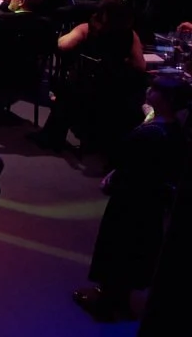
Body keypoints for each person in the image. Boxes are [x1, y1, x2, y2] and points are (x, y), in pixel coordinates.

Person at [76, 75, 190, 320]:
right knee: (137, 249)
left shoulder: (151, 134)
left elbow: (132, 165)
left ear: (168, 100)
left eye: (155, 89)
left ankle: (105, 304)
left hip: (131, 200)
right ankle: (122, 300)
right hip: (152, 203)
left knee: (117, 246)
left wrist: (113, 180)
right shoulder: (173, 130)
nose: (149, 90)